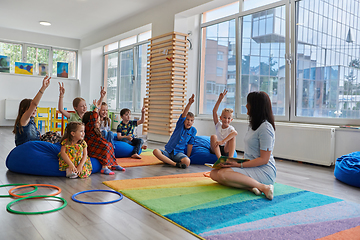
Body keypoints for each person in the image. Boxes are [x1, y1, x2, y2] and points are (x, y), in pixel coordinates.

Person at [210, 91, 276, 200]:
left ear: (255, 106)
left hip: (264, 170)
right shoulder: (253, 125)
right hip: (250, 165)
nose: (246, 106)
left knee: (223, 175)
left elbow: (264, 159)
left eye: (248, 103)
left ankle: (264, 187)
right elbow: (250, 154)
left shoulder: (266, 128)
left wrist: (239, 165)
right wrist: (236, 162)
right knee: (213, 173)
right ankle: (250, 186)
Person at [13, 76, 61, 146]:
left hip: (34, 145)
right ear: (23, 109)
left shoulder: (31, 121)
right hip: (28, 149)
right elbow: (34, 103)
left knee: (54, 135)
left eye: (36, 108)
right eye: (32, 108)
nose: (34, 110)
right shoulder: (24, 119)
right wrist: (43, 88)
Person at [153, 94, 197, 169]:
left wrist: (188, 156)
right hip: (168, 151)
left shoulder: (193, 130)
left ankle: (169, 161)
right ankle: (174, 164)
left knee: (187, 161)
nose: (189, 122)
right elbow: (184, 114)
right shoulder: (180, 125)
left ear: (193, 122)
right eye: (187, 119)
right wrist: (189, 103)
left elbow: (190, 144)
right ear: (184, 120)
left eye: (191, 120)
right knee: (155, 151)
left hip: (178, 154)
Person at [83, 100, 124, 175]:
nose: (98, 123)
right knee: (105, 146)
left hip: (96, 146)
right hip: (91, 148)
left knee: (109, 145)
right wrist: (96, 108)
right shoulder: (89, 127)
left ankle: (114, 164)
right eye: (97, 122)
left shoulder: (96, 129)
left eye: (99, 122)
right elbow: (93, 117)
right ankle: (104, 167)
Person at [210, 89, 237, 159]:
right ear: (221, 118)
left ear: (231, 120)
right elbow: (214, 112)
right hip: (216, 148)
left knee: (232, 137)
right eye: (224, 117)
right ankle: (220, 159)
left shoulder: (230, 128)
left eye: (228, 118)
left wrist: (222, 141)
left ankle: (230, 159)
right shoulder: (218, 125)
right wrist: (219, 100)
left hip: (225, 148)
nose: (226, 120)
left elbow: (235, 133)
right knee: (213, 136)